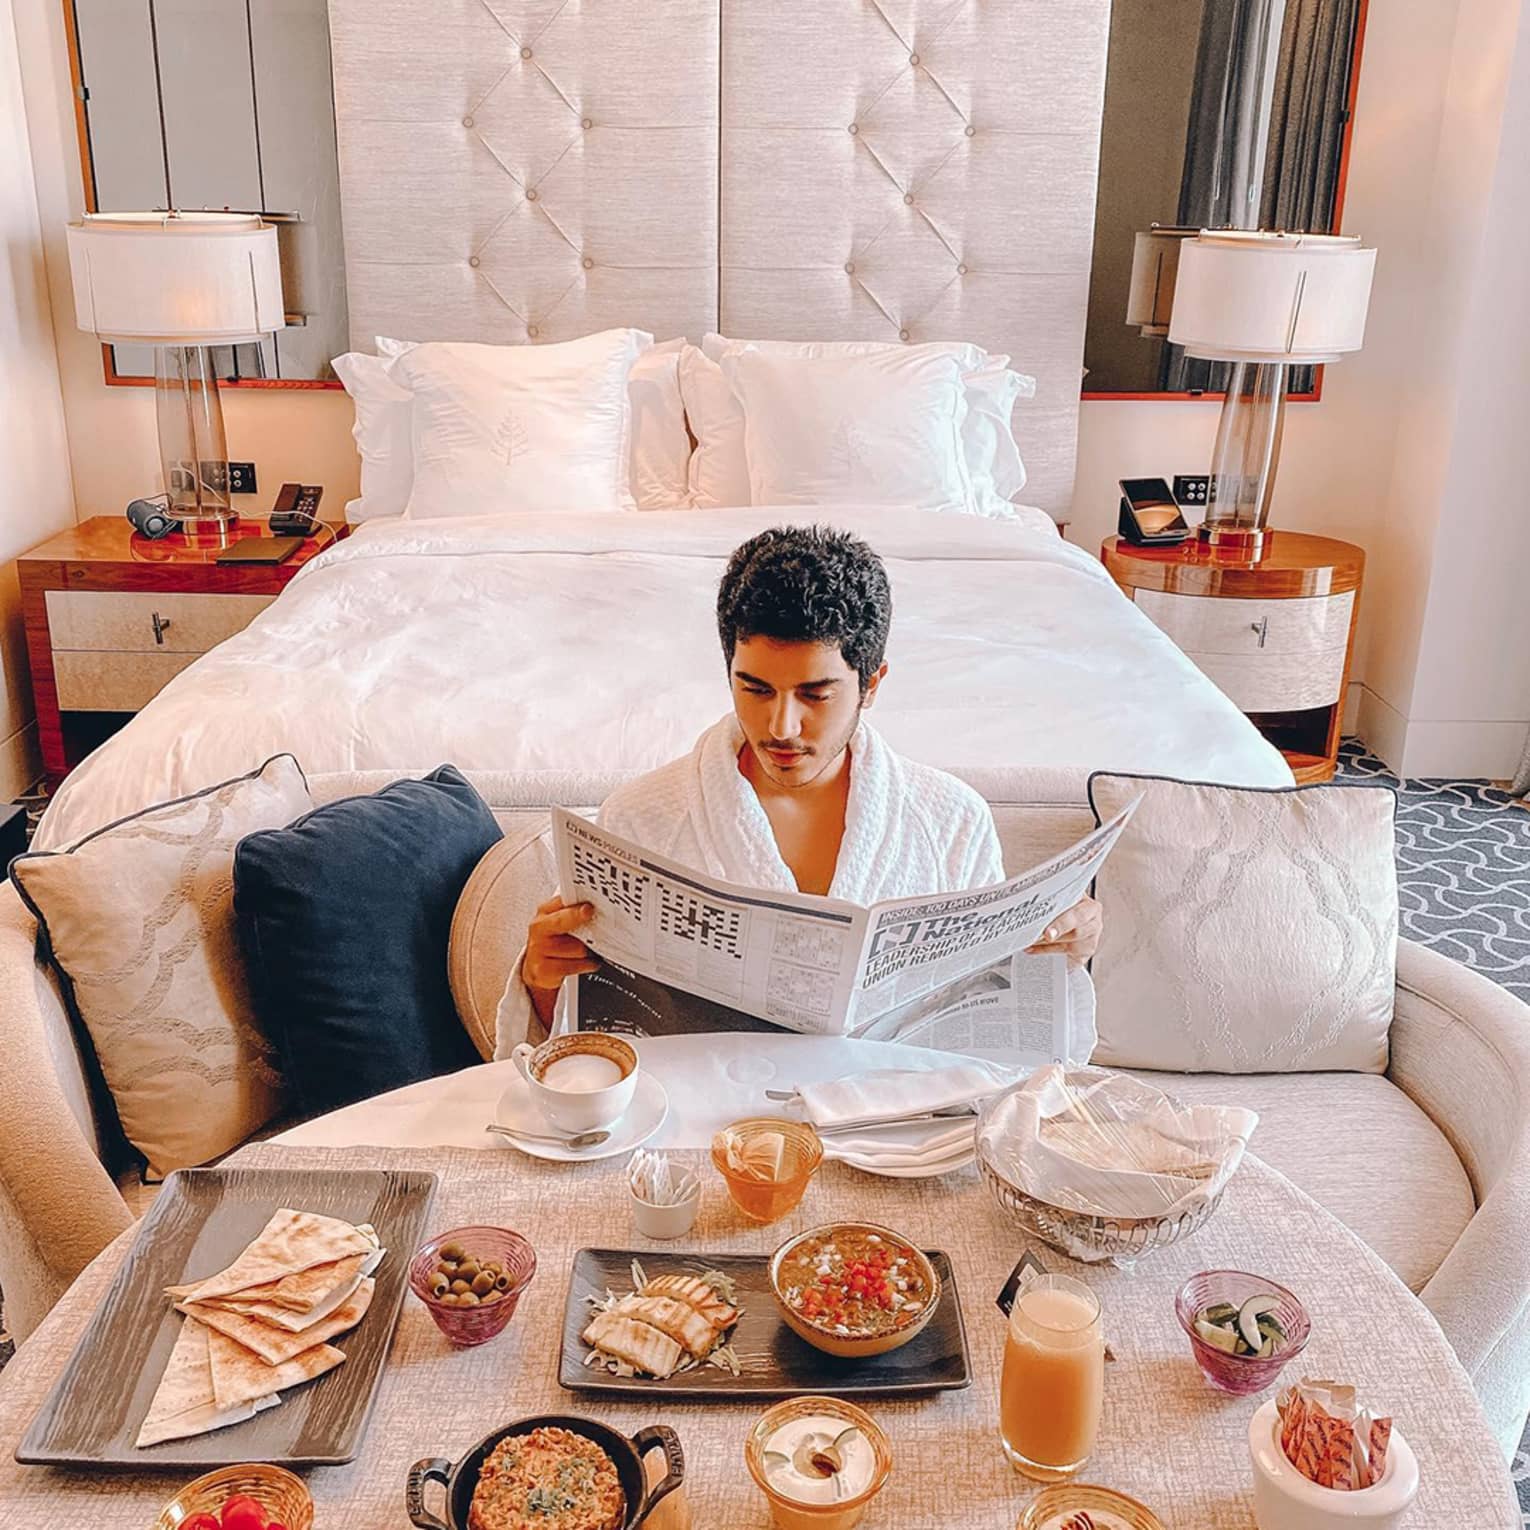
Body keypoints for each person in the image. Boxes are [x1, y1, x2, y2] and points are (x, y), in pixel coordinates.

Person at [495, 524, 1101, 1050]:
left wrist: (1058, 952)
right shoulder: (639, 818)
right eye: (754, 689)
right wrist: (541, 980)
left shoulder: (951, 821)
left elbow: (983, 1018)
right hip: (707, 1126)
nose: (781, 727)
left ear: (872, 683)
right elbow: (577, 1044)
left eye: (815, 694)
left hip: (888, 1133)